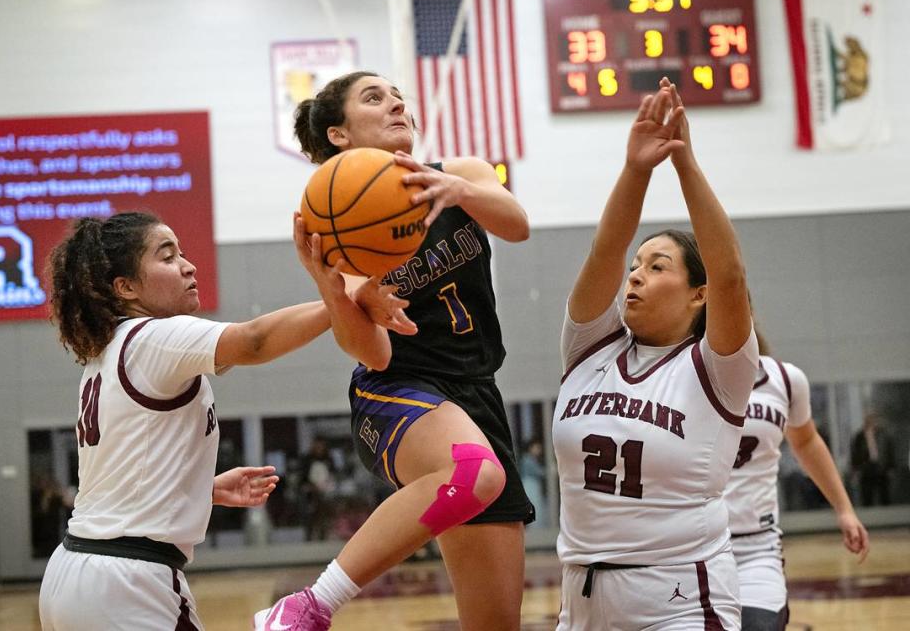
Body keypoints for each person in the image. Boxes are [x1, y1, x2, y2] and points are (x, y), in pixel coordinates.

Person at [254, 71, 533, 631]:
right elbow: (374, 353)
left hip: (478, 393)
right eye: (374, 97)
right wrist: (332, 285)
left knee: (497, 623)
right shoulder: (339, 223)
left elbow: (518, 226)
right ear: (339, 134)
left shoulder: (463, 174)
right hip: (400, 392)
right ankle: (308, 606)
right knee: (474, 471)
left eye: (398, 94)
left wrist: (454, 190)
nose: (396, 102)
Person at [38, 210, 405, 630]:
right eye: (167, 256)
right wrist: (345, 299)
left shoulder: (109, 354)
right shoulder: (152, 339)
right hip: (127, 581)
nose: (188, 265)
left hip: (74, 572)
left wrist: (201, 489)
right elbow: (254, 341)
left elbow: (119, 480)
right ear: (126, 287)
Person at [552, 79, 757, 630]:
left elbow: (731, 275)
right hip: (580, 596)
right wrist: (636, 169)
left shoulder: (718, 369)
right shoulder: (589, 347)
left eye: (658, 266)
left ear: (698, 292)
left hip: (679, 597)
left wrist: (684, 163)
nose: (636, 276)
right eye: (638, 266)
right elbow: (606, 251)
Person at [724, 330, 869, 630]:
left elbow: (806, 442)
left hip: (756, 545)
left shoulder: (784, 380)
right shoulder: (680, 374)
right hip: (691, 547)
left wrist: (844, 510)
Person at [850, 411, 895, 506]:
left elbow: (889, 451)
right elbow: (855, 453)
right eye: (868, 418)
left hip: (881, 467)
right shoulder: (859, 436)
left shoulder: (884, 434)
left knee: (884, 495)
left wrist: (891, 467)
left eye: (873, 418)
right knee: (867, 495)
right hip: (866, 467)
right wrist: (856, 468)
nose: (871, 421)